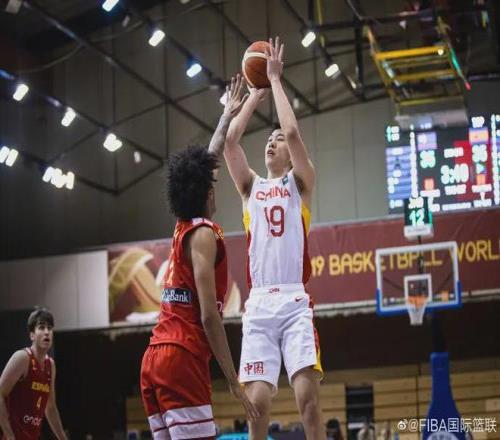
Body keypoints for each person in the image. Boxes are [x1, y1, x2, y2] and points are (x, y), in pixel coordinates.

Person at [140, 74, 258, 440]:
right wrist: (233, 379)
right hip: (182, 357)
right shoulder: (204, 235)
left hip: (154, 357)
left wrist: (226, 115)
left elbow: (208, 158)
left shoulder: (182, 226)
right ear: (206, 191)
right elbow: (209, 315)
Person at [224, 37, 325, 440]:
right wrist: (254, 94)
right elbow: (230, 142)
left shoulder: (300, 183)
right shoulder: (250, 187)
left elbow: (294, 133)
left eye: (276, 139)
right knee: (257, 407)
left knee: (308, 403)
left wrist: (276, 80)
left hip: (295, 300)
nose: (272, 141)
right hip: (260, 303)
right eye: (268, 139)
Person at [0, 308, 67, 440]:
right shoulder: (22, 358)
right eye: (41, 327)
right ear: (32, 335)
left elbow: (50, 407)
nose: (47, 332)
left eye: (49, 328)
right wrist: (10, 436)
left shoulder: (50, 365)